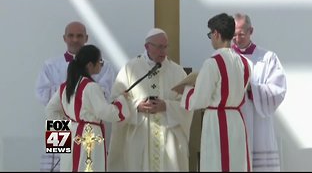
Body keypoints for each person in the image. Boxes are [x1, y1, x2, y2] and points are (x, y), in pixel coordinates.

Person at [107, 28, 194, 171]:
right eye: (159, 47)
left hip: (168, 140)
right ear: (147, 46)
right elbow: (115, 101)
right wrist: (137, 106)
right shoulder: (130, 69)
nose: (163, 51)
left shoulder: (177, 71)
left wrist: (166, 106)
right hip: (140, 136)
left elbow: (187, 105)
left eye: (165, 46)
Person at [35, 21, 116, 172]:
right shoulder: (51, 65)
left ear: (86, 38)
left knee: (88, 165)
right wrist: (69, 114)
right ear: (64, 38)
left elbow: (106, 93)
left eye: (79, 36)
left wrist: (73, 96)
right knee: (58, 166)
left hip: (88, 125)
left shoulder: (104, 66)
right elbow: (42, 93)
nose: (75, 39)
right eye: (71, 36)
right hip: (60, 122)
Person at [179, 13, 252, 171]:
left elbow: (200, 100)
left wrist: (187, 90)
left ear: (216, 34)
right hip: (237, 120)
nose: (211, 38)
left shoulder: (213, 63)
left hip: (217, 121)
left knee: (216, 163)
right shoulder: (246, 63)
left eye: (210, 34)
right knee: (237, 163)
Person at [45, 44, 130, 172]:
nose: (101, 64)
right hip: (89, 136)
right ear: (90, 65)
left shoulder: (65, 86)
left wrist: (66, 131)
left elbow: (50, 110)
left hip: (72, 134)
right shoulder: (91, 86)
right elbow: (105, 113)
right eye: (100, 61)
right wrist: (121, 100)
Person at [232, 13, 287, 171]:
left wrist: (252, 88)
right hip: (234, 121)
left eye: (241, 34)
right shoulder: (226, 58)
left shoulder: (267, 58)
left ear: (251, 31)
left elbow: (278, 90)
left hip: (259, 124)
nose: (237, 38)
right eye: (234, 35)